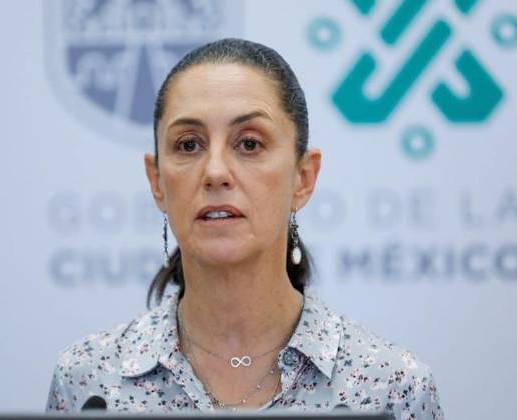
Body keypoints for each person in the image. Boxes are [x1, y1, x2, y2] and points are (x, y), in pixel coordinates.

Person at [46, 38, 444, 418]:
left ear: (303, 178)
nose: (215, 172)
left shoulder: (390, 387)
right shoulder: (90, 382)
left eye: (249, 144)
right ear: (157, 181)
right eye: (188, 145)